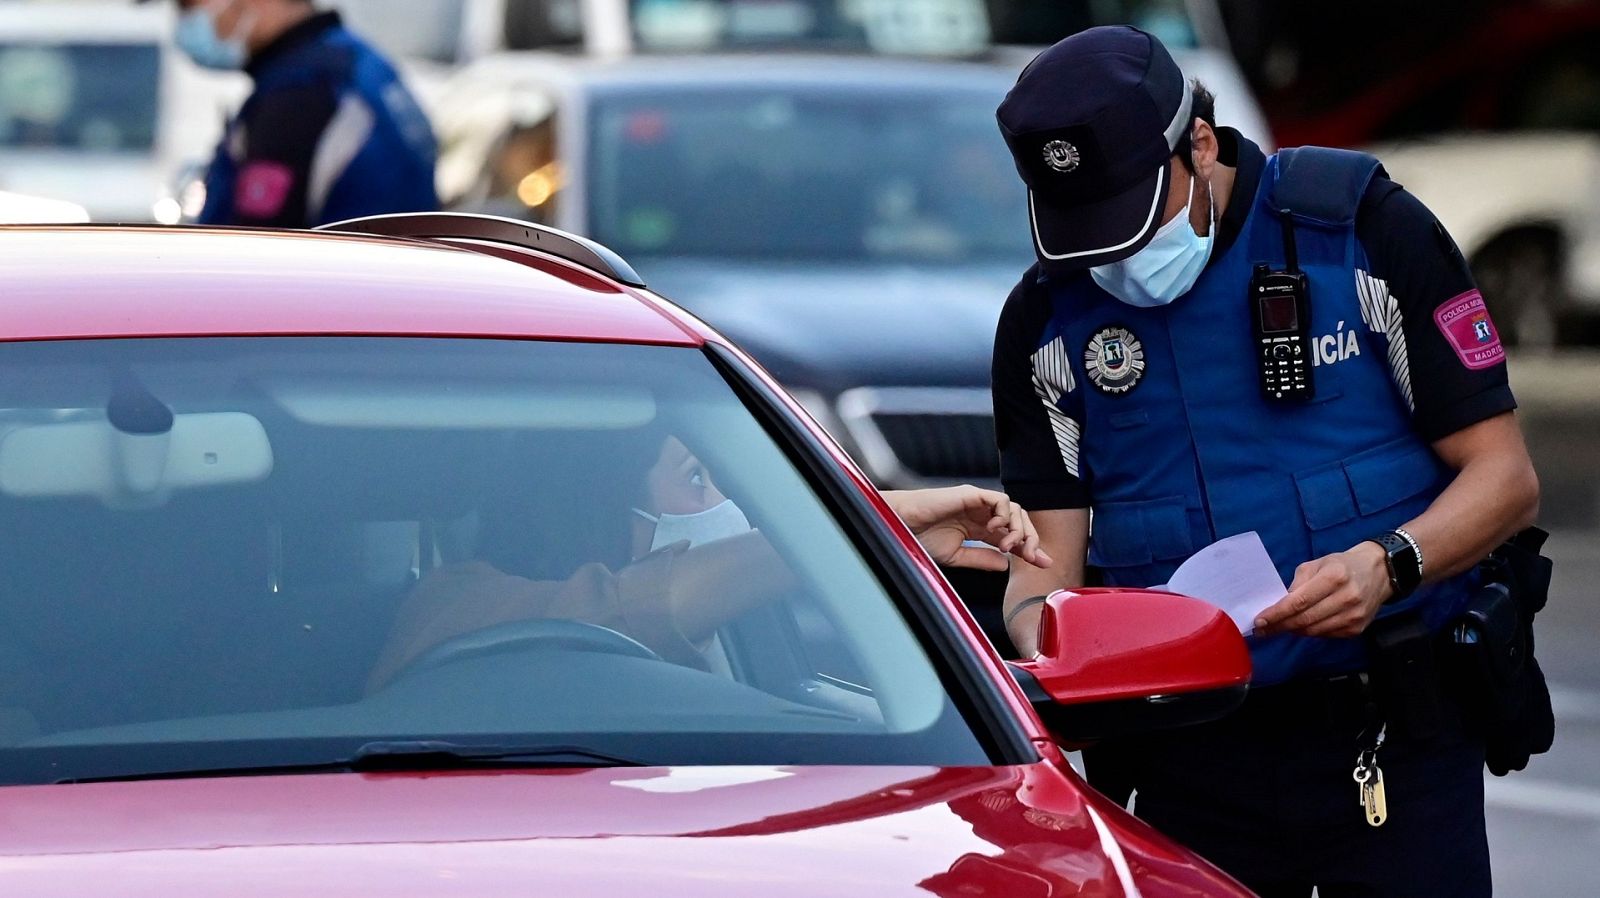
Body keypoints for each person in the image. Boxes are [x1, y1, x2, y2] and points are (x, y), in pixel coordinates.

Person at [990, 26, 1539, 898]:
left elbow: (1504, 479)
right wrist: (1053, 645)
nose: (1117, 256)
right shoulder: (1044, 324)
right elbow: (1040, 577)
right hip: (1187, 764)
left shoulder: (1359, 233)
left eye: (1134, 216)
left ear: (1200, 145)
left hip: (1395, 736)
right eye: (1086, 230)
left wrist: (1387, 565)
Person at [368, 435, 1051, 692]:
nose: (731, 505)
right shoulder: (453, 602)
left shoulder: (740, 635)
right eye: (697, 477)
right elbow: (624, 606)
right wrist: (866, 524)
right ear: (597, 501)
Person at [146, 0, 437, 227]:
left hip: (341, 285)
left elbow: (252, 253)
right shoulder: (356, 61)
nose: (183, 20)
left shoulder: (300, 96)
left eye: (186, 5)